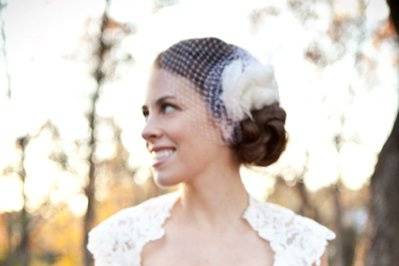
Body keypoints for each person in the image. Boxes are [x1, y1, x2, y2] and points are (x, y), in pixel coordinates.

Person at [87, 37, 335, 266]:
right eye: (147, 113)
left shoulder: (301, 247)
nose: (147, 130)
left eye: (168, 108)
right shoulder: (121, 244)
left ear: (226, 118)